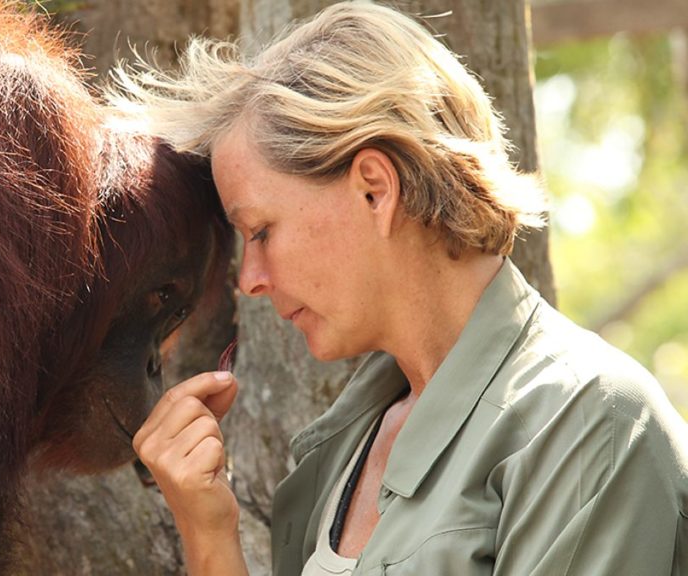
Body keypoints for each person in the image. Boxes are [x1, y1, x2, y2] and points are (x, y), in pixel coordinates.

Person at [112, 1, 688, 575]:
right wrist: (208, 535)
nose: (250, 281)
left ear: (375, 190)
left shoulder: (593, 427)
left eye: (261, 231)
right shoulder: (346, 445)